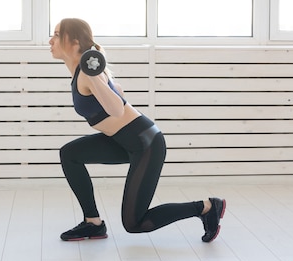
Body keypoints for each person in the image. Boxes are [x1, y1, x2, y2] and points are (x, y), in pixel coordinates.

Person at [49, 18, 226, 242]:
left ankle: (206, 207)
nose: (50, 40)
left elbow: (116, 109)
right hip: (123, 141)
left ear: (74, 42)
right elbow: (119, 92)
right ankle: (92, 223)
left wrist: (96, 80)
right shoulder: (84, 72)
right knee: (70, 154)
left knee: (135, 223)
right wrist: (101, 82)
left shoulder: (88, 74)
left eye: (56, 35)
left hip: (146, 144)